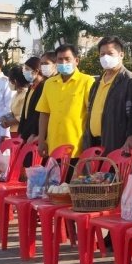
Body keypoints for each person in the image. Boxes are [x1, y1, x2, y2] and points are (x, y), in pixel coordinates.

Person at [36, 44, 95, 177]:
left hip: (77, 146)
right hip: (54, 145)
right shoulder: (49, 83)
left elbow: (91, 113)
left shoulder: (87, 81)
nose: (63, 63)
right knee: (55, 188)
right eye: (60, 59)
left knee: (73, 189)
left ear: (76, 60)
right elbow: (44, 113)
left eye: (67, 59)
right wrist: (41, 140)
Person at [82, 37, 132, 153]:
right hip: (93, 144)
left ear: (121, 55)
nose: (105, 57)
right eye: (102, 54)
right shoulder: (96, 83)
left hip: (116, 145)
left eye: (110, 53)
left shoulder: (129, 81)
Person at [17, 54, 53, 143]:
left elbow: (38, 114)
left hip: (34, 134)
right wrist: (21, 131)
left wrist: (34, 133)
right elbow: (25, 111)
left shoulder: (43, 87)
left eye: (27, 69)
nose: (24, 72)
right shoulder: (31, 87)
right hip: (25, 131)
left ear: (36, 71)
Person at [0, 65, 29, 136]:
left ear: (15, 81)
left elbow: (23, 116)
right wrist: (4, 117)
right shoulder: (16, 94)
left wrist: (8, 123)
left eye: (10, 80)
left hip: (21, 131)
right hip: (13, 131)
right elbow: (14, 112)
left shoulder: (25, 95)